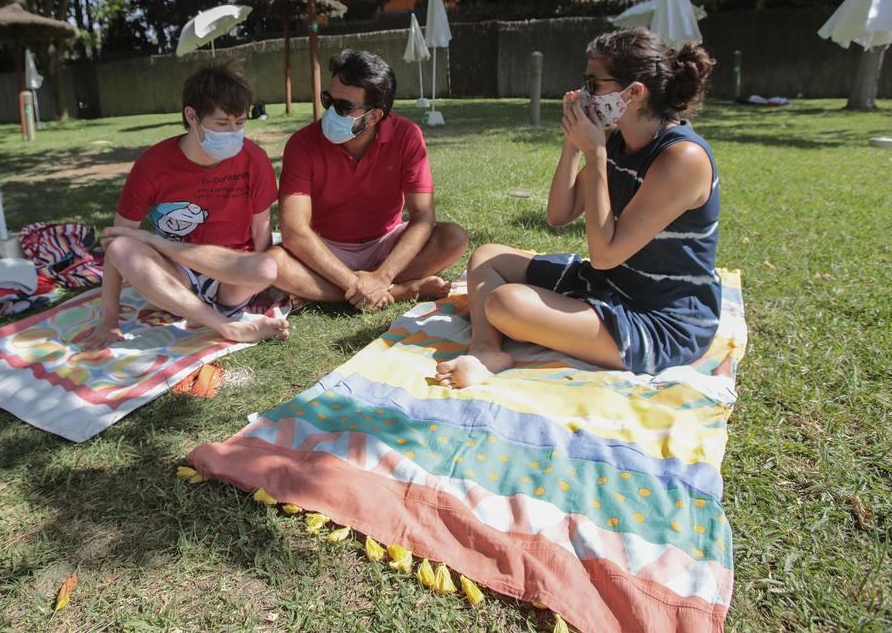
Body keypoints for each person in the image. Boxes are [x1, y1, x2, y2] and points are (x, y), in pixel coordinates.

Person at [436, 29, 720, 388]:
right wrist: (574, 145)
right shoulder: (619, 139)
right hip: (609, 284)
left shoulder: (682, 158)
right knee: (488, 256)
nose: (584, 93)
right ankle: (486, 349)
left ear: (633, 92)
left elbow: (605, 255)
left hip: (661, 317)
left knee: (506, 304)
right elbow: (559, 215)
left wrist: (595, 153)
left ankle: (502, 337)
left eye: (593, 82)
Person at [79, 63, 289, 349]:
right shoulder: (152, 165)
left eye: (239, 123)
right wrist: (109, 321)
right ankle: (226, 326)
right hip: (175, 278)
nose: (233, 133)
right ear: (192, 116)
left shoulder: (255, 158)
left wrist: (257, 288)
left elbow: (261, 227)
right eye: (222, 124)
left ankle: (219, 311)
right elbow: (117, 242)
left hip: (230, 272)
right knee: (120, 247)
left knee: (266, 267)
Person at [270, 49, 468, 310]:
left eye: (343, 107)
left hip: (386, 243)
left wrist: (382, 275)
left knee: (453, 238)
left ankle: (334, 291)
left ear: (374, 116)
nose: (330, 112)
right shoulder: (302, 143)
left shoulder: (406, 136)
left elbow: (422, 218)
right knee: (271, 264)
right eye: (328, 100)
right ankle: (399, 291)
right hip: (325, 247)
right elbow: (295, 231)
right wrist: (357, 282)